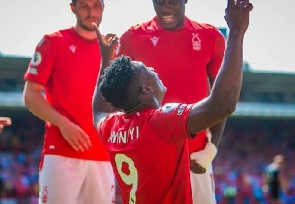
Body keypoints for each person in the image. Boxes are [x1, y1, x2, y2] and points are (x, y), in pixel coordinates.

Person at [92, 0, 253, 203]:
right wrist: (237, 33)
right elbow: (222, 105)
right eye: (148, 70)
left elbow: (98, 111)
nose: (154, 69)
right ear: (146, 89)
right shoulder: (161, 122)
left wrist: (106, 59)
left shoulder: (111, 127)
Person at [117, 0, 227, 203]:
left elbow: (221, 99)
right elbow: (118, 98)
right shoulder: (131, 38)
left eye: (173, 0)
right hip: (149, 160)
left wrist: (211, 149)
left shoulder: (211, 37)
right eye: (160, 0)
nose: (167, 5)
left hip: (196, 159)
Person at [22, 0, 118, 203]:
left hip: (104, 156)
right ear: (73, 7)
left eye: (96, 5)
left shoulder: (114, 50)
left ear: (103, 7)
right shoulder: (53, 42)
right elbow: (30, 95)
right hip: (61, 154)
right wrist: (64, 124)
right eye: (84, 6)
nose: (91, 11)